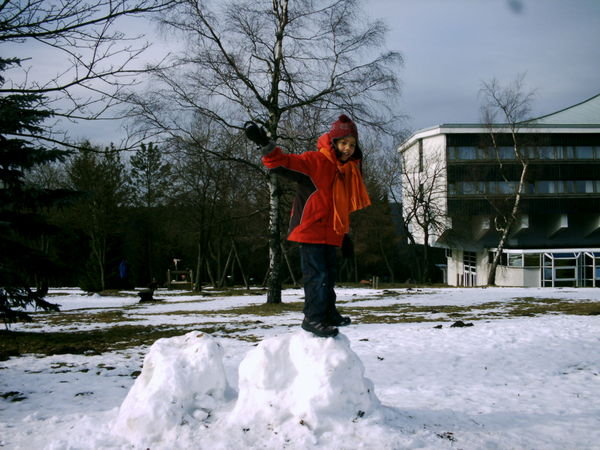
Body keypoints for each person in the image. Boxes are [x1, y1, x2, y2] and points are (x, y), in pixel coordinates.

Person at [244, 114, 371, 337]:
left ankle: (328, 313)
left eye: (352, 144)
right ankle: (312, 318)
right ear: (333, 142)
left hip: (331, 233)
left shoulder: (348, 171)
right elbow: (283, 162)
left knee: (329, 277)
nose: (348, 148)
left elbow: (340, 207)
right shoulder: (316, 161)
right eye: (343, 143)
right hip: (311, 229)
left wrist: (344, 235)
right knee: (317, 276)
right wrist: (265, 144)